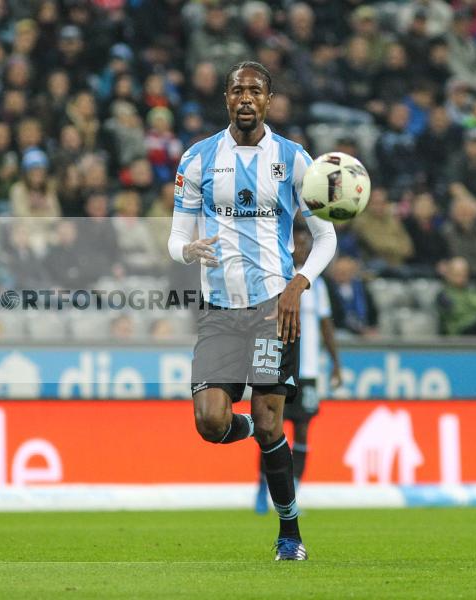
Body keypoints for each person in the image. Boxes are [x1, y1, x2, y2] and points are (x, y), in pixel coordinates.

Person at [167, 62, 336, 561]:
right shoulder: (197, 159)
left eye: (255, 90)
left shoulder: (294, 159)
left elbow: (326, 237)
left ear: (268, 100)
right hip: (218, 310)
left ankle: (290, 533)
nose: (246, 97)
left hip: (272, 309)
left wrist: (298, 284)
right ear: (226, 98)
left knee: (270, 425)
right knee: (210, 424)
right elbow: (177, 237)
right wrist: (186, 252)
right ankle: (247, 431)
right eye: (237, 89)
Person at [256, 229, 341, 513]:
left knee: (303, 430)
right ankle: (261, 489)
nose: (301, 248)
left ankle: (292, 495)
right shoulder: (276, 277)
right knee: (269, 425)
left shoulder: (317, 284)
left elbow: (325, 325)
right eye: (298, 244)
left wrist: (336, 363)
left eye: (307, 243)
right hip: (280, 363)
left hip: (309, 370)